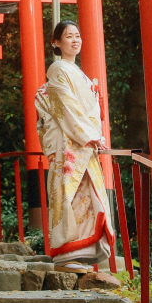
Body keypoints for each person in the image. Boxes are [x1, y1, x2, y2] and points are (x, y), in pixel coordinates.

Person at [34, 20, 114, 268]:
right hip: (69, 141)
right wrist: (89, 134)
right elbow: (66, 107)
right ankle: (68, 252)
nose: (75, 40)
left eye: (77, 36)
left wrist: (92, 135)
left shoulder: (77, 72)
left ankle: (85, 249)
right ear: (56, 42)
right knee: (70, 192)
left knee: (88, 196)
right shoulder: (57, 69)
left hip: (83, 141)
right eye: (68, 36)